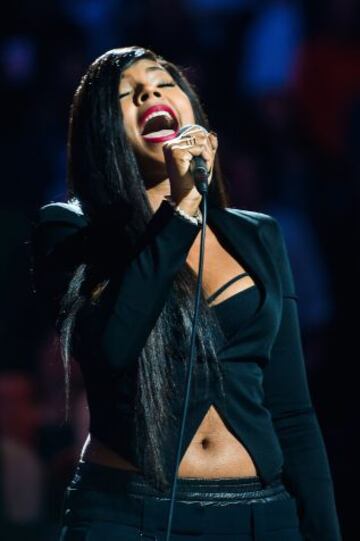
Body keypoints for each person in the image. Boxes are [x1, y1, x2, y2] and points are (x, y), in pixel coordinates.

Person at [30, 46, 342, 540]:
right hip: (130, 515)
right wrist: (179, 212)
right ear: (104, 134)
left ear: (195, 113)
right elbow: (111, 345)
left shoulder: (259, 236)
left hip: (261, 516)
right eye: (127, 95)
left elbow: (293, 413)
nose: (151, 92)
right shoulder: (70, 230)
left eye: (163, 83)